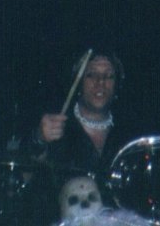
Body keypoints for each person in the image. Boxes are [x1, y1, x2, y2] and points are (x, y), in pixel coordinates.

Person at [28, 50, 129, 221]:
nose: (100, 82)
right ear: (79, 82)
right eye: (91, 75)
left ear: (117, 85)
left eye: (109, 76)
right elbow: (24, 174)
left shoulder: (128, 135)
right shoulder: (55, 128)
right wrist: (39, 139)